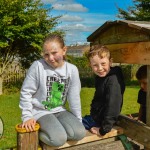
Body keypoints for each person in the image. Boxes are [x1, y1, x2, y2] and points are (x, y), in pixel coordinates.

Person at [19, 34, 86, 147]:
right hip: (40, 111)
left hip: (59, 110)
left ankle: (56, 129)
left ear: (64, 50)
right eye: (46, 54)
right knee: (58, 139)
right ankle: (38, 132)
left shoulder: (72, 70)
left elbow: (74, 97)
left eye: (54, 53)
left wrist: (77, 120)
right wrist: (27, 117)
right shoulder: (38, 66)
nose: (50, 58)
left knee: (79, 133)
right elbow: (26, 92)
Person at [82, 45, 125, 136]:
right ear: (90, 65)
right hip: (97, 117)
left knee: (73, 128)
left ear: (110, 62)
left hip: (101, 123)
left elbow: (113, 106)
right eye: (95, 65)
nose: (100, 68)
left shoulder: (113, 81)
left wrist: (103, 130)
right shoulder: (102, 77)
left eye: (103, 63)